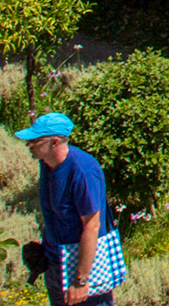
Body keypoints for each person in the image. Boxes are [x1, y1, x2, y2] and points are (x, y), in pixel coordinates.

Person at [17, 113, 120, 306]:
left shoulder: (83, 170)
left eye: (34, 141)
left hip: (84, 268)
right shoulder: (47, 165)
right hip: (56, 264)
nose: (28, 145)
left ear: (54, 142)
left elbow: (92, 225)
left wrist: (81, 280)